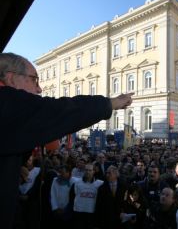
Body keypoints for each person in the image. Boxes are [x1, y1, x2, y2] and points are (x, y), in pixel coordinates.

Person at [0, 52, 133, 229]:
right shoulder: (6, 101)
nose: (39, 89)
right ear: (10, 78)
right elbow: (60, 110)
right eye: (34, 79)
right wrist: (109, 104)